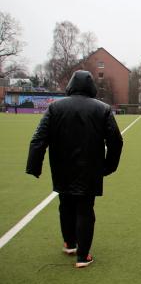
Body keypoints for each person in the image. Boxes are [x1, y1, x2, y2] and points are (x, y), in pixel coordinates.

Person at [26, 70, 123, 268]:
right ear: (91, 87)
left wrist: (34, 166)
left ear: (70, 85)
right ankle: (83, 256)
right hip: (90, 168)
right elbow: (116, 141)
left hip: (62, 167)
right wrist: (108, 166)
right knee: (85, 209)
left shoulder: (55, 109)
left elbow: (38, 139)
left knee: (65, 204)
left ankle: (70, 243)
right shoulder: (102, 109)